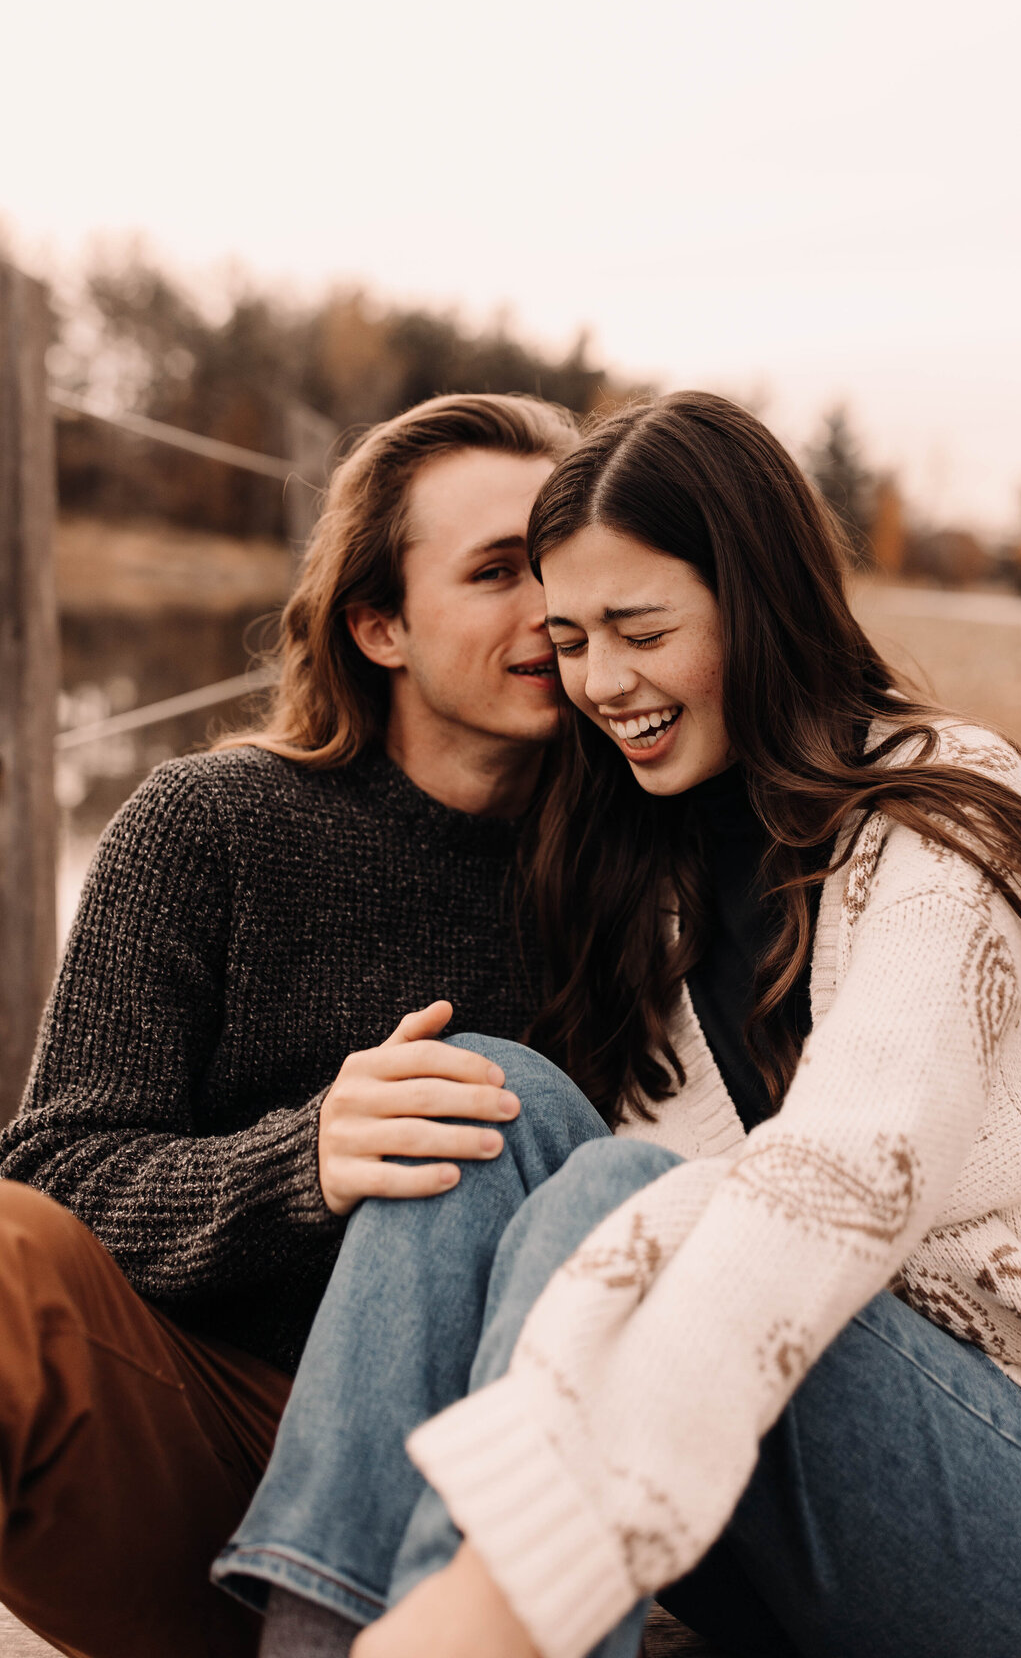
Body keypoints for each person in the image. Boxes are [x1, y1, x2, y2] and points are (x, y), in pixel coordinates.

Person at [213, 394, 1021, 1658]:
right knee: (479, 1097)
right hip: (719, 1508)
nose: (603, 682)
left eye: (642, 629)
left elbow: (872, 1138)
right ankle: (320, 1632)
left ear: (758, 601)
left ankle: (478, 1619)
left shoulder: (949, 805)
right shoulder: (621, 863)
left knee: (628, 1195)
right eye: (569, 638)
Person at [0, 393, 589, 1658]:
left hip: (519, 1475)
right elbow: (59, 1169)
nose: (551, 607)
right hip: (221, 1443)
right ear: (379, 623)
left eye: (566, 564)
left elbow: (841, 1051)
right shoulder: (208, 826)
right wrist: (300, 1161)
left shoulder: (644, 851)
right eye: (498, 572)